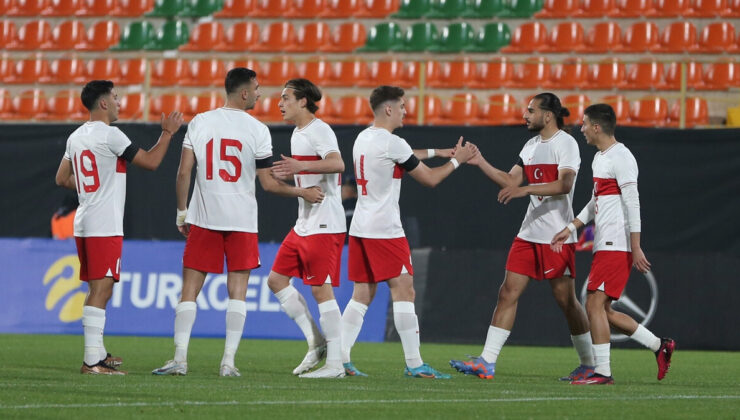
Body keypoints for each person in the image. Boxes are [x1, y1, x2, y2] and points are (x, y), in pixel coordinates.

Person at [152, 68, 324, 377]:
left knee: (189, 290)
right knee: (238, 293)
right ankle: (228, 363)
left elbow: (183, 172)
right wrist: (302, 192)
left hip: (204, 218)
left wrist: (181, 212)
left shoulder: (201, 122)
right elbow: (269, 185)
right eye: (257, 89)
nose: (260, 94)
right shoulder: (258, 130)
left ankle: (179, 359)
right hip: (242, 222)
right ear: (244, 93)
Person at [450, 92, 594, 381]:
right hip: (529, 233)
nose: (525, 115)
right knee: (507, 292)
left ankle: (590, 363)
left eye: (531, 110)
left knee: (566, 302)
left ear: (548, 115)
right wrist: (480, 162)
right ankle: (486, 362)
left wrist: (527, 189)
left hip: (557, 236)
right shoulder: (530, 145)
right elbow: (511, 181)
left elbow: (565, 184)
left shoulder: (566, 143)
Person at [341, 85, 478, 379]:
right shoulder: (393, 143)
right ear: (388, 109)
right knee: (404, 291)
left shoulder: (364, 137)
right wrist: (456, 160)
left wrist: (438, 151)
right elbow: (429, 179)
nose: (406, 110)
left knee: (362, 294)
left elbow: (403, 155)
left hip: (361, 227)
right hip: (385, 230)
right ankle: (415, 364)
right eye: (402, 106)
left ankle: (340, 360)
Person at [54, 80, 184, 375]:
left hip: (84, 221)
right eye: (114, 97)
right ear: (102, 103)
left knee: (100, 287)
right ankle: (91, 361)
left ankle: (98, 352)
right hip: (103, 224)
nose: (118, 102)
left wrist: (91, 188)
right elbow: (150, 162)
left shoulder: (76, 137)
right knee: (102, 288)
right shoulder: (111, 135)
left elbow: (62, 178)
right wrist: (167, 134)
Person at [551, 103, 675, 385]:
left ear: (596, 127)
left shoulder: (622, 156)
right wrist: (571, 227)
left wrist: (636, 245)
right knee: (604, 310)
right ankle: (660, 345)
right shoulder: (599, 159)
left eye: (584, 124)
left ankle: (603, 372)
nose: (581, 129)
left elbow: (633, 202)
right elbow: (596, 202)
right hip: (605, 243)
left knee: (593, 304)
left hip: (616, 243)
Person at [265, 78, 346, 378]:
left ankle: (335, 364)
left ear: (303, 101)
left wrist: (300, 168)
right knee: (275, 280)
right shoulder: (298, 133)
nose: (280, 103)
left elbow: (338, 164)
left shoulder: (319, 129)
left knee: (320, 289)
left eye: (285, 97)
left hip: (325, 222)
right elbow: (309, 175)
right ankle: (317, 342)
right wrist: (292, 176)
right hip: (305, 222)